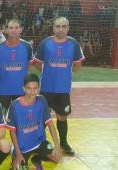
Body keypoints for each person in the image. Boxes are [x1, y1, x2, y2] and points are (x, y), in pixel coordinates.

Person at [34, 17, 84, 156]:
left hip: (63, 89)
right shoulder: (45, 43)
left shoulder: (73, 43)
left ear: (68, 28)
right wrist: (48, 71)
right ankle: (38, 142)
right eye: (57, 26)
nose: (60, 29)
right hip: (46, 87)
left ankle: (64, 143)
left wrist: (64, 72)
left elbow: (77, 65)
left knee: (62, 117)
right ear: (53, 27)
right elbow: (38, 63)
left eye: (63, 26)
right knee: (43, 117)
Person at [7, 73, 61, 170]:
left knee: (57, 157)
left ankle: (36, 158)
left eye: (35, 88)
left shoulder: (42, 100)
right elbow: (12, 132)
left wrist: (57, 146)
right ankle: (16, 160)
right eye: (29, 88)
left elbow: (50, 124)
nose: (32, 91)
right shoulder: (14, 105)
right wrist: (18, 153)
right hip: (22, 148)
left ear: (39, 88)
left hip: (39, 142)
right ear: (24, 88)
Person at [0, 19, 34, 112]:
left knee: (20, 121)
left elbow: (29, 66)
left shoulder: (27, 46)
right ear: (6, 30)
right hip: (3, 91)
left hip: (21, 90)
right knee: (3, 120)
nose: (14, 30)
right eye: (11, 28)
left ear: (21, 29)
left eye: (16, 27)